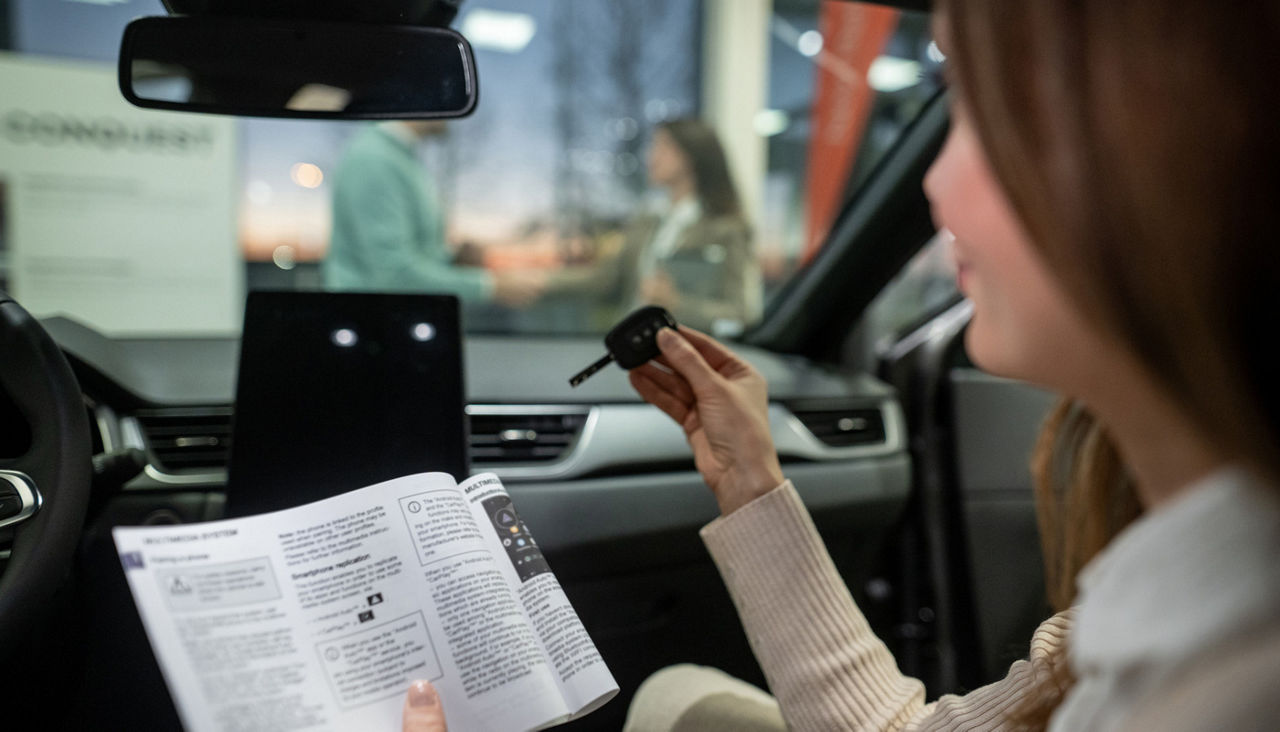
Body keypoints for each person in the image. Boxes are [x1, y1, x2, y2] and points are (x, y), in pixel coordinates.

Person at [620, 2, 1280, 731]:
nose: (935, 184)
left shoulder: (1225, 686)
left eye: (983, 109)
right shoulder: (1167, 611)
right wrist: (750, 482)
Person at [554, 119, 762, 335]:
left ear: (692, 154)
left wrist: (678, 305)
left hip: (684, 354)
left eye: (663, 146)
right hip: (631, 345)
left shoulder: (727, 229)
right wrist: (539, 281)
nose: (651, 156)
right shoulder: (646, 221)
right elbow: (604, 278)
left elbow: (740, 314)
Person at [324, 121, 545, 306]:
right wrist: (491, 287)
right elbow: (393, 275)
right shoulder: (374, 159)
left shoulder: (398, 157)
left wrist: (451, 257)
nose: (451, 112)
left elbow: (409, 257)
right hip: (373, 330)